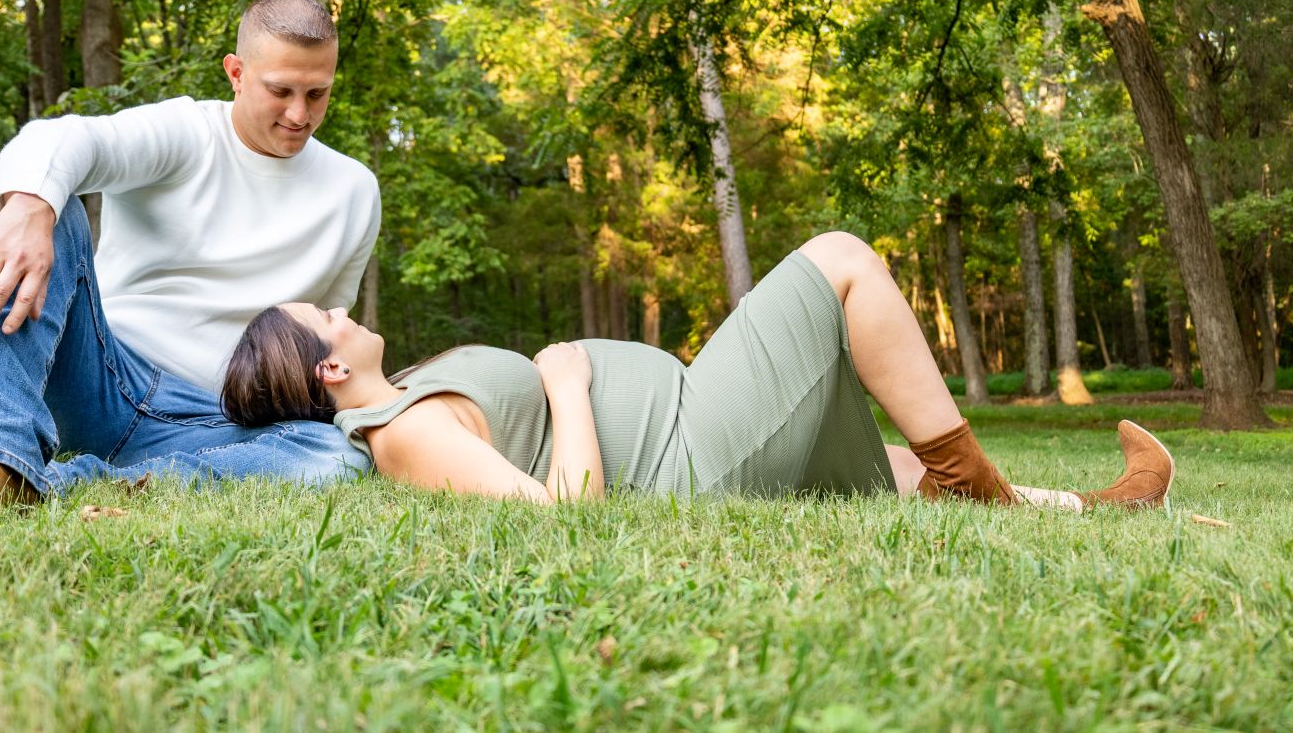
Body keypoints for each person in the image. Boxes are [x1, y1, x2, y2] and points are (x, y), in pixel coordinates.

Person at [0, 0, 381, 528]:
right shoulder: (186, 133)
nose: (299, 114)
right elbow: (64, 137)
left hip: (218, 422)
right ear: (235, 72)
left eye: (317, 93)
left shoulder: (355, 191)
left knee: (339, 450)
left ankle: (76, 484)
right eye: (280, 91)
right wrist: (27, 207)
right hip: (101, 375)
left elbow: (326, 347)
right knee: (44, 202)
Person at [221, 232, 1174, 507]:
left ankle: (1096, 505)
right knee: (840, 257)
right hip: (689, 460)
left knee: (892, 467)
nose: (342, 309)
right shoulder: (403, 433)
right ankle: (978, 483)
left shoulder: (411, 395)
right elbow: (564, 513)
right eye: (326, 316)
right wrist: (565, 380)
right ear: (330, 363)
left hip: (689, 419)